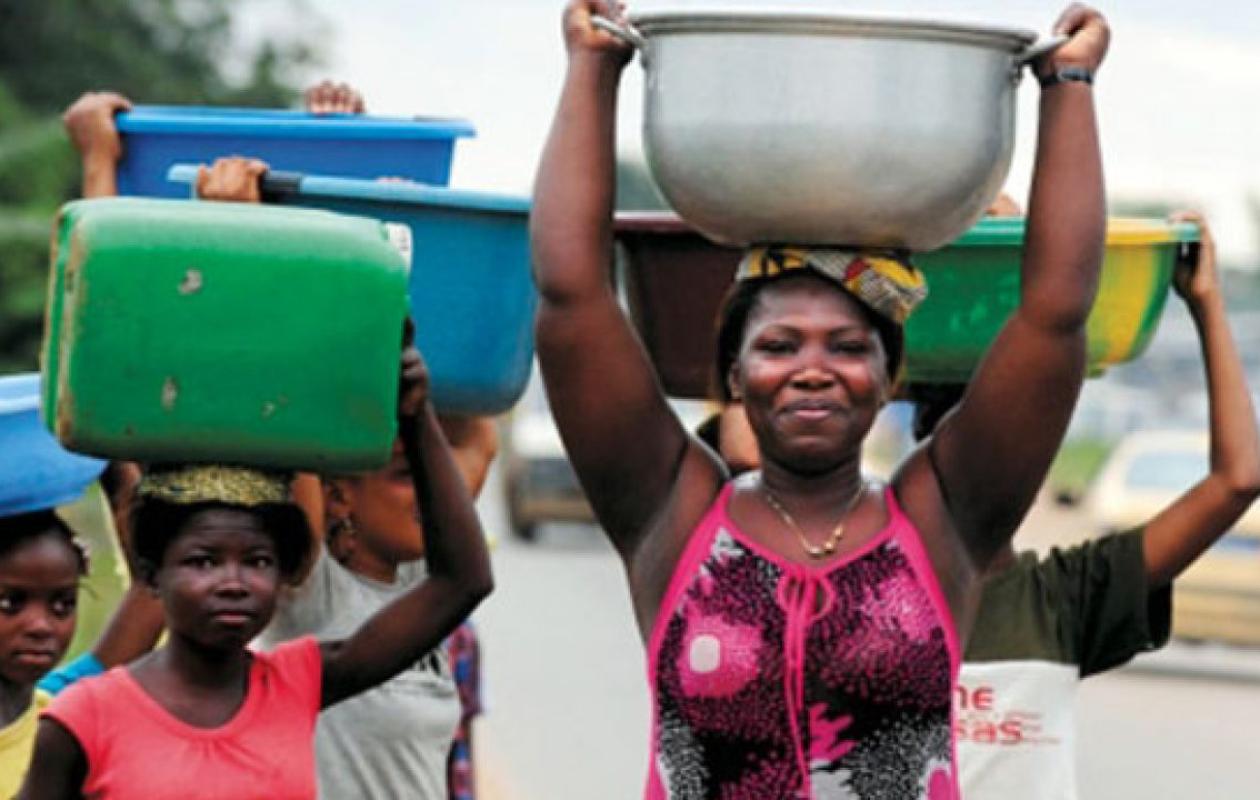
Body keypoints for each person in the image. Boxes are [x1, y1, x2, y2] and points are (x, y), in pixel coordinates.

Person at [532, 0, 1109, 796]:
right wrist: (593, 70)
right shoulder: (676, 511)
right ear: (734, 376)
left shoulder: (942, 516)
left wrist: (1069, 87)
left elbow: (1054, 317)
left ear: (887, 376)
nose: (812, 368)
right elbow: (572, 298)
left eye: (846, 346)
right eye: (777, 346)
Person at [18, 340, 493, 799]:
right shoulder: (84, 717)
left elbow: (463, 581)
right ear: (151, 572)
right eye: (203, 561)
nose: (233, 582)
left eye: (257, 562)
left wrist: (416, 417)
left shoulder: (298, 683)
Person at [948, 211, 1260, 800]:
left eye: (1017, 446)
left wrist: (1206, 304)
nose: (992, 468)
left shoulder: (1063, 599)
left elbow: (1237, 480)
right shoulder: (863, 581)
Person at [0, 374, 102, 797]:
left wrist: (114, 454)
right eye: (10, 603)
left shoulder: (61, 717)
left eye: (63, 605)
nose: (41, 626)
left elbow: (148, 598)